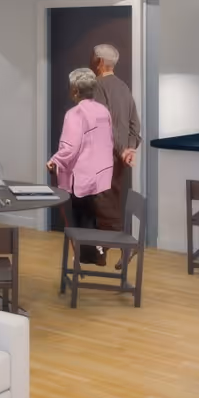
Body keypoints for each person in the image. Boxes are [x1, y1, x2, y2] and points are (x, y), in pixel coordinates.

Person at [47, 67, 116, 263]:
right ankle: (97, 252)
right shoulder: (103, 111)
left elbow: (70, 147)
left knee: (78, 218)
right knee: (90, 215)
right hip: (100, 173)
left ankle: (88, 257)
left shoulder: (75, 114)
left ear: (76, 90)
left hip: (82, 175)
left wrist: (54, 161)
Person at [90, 43, 141, 218]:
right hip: (120, 162)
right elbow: (135, 125)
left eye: (95, 58)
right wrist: (128, 150)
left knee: (102, 210)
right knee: (115, 204)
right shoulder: (124, 87)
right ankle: (117, 244)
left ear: (100, 61)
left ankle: (101, 245)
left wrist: (122, 151)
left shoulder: (96, 85)